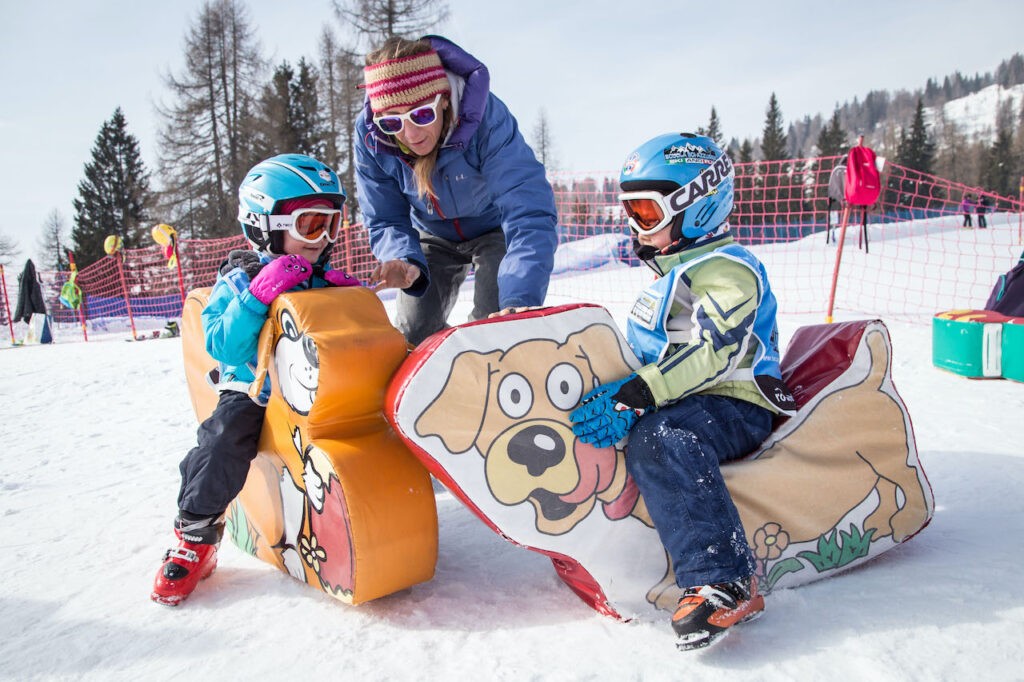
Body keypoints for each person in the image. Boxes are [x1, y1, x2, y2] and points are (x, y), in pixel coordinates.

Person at [569, 133, 796, 651]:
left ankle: (724, 578)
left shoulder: (730, 269)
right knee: (634, 428)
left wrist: (642, 393)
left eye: (647, 212)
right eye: (630, 211)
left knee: (660, 437)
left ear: (697, 206)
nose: (635, 227)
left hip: (738, 402)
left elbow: (714, 350)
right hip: (689, 398)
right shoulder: (672, 276)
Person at [151, 154, 359, 606]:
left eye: (331, 226)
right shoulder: (239, 278)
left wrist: (350, 298)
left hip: (320, 392)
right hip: (255, 389)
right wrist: (257, 293)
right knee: (225, 438)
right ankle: (196, 534)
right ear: (265, 224)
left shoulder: (322, 278)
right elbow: (222, 344)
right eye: (309, 225)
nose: (322, 239)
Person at [354, 35, 558, 346]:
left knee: (496, 327)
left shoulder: (486, 118)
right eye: (393, 122)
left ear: (444, 99)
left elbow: (527, 207)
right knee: (413, 333)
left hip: (494, 229)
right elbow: (384, 217)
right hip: (431, 235)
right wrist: (402, 258)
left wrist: (520, 297)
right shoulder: (372, 138)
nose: (409, 134)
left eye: (422, 114)